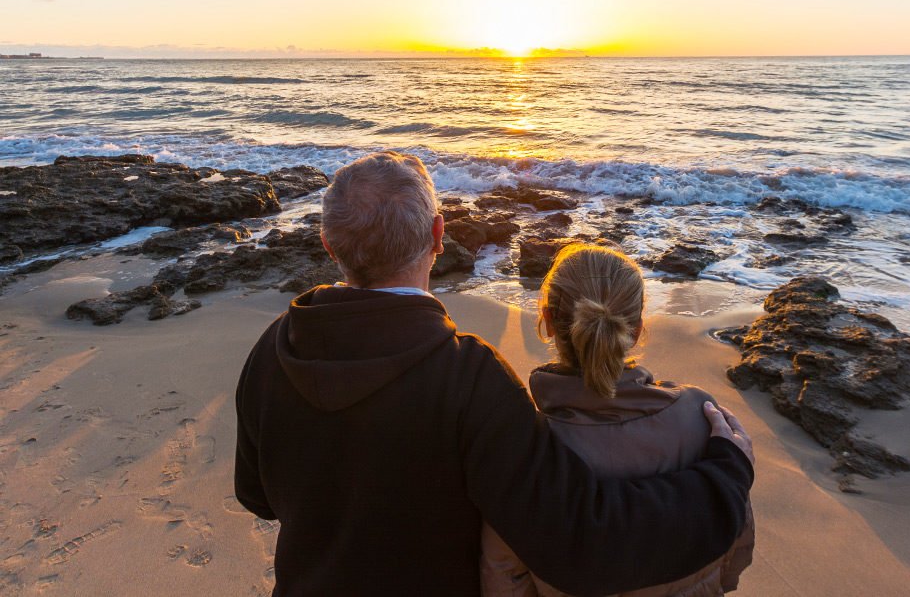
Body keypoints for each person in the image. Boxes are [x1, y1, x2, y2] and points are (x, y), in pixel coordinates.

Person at [234, 151, 755, 596]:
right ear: (439, 235)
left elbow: (255, 495)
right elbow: (582, 539)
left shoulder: (274, 350)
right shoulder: (469, 378)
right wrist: (725, 473)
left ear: (329, 246)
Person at [480, 244, 756, 596]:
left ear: (547, 321)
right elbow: (735, 537)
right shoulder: (704, 417)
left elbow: (504, 575)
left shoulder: (526, 450)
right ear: (639, 328)